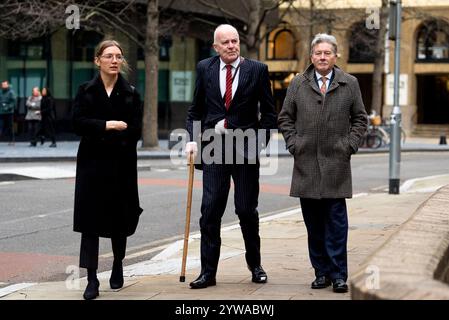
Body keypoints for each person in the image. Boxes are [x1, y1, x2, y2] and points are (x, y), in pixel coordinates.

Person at [185, 24, 277, 289]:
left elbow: (269, 114)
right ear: (216, 46)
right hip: (214, 148)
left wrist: (259, 143)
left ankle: (255, 265)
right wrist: (192, 139)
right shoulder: (205, 67)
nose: (231, 46)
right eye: (225, 42)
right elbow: (196, 110)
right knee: (210, 210)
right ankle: (207, 272)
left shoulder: (257, 70)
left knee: (246, 210)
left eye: (234, 41)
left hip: (246, 147)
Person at [278, 33, 367, 293]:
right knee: (314, 224)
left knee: (336, 223)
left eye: (328, 53)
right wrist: (294, 145)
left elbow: (360, 118)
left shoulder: (349, 83)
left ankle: (339, 274)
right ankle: (321, 273)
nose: (323, 57)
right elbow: (285, 118)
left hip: (336, 165)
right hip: (305, 165)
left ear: (335, 56)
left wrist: (349, 146)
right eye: (318, 53)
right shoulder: (298, 83)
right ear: (311, 57)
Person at [72, 39, 143, 300]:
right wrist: (107, 125)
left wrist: (112, 132)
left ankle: (117, 264)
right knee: (90, 222)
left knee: (119, 220)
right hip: (92, 165)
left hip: (122, 165)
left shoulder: (132, 93)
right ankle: (91, 279)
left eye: (119, 56)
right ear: (97, 60)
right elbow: (77, 123)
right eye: (109, 56)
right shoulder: (85, 90)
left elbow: (135, 129)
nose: (115, 60)